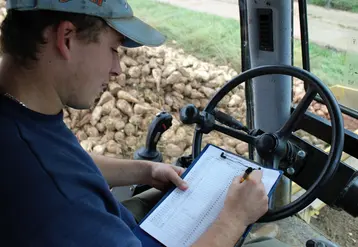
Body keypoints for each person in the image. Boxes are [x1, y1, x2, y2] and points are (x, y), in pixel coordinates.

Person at [0, 0, 289, 246]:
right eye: (114, 50)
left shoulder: (22, 115)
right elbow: (55, 176)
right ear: (67, 39)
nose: (117, 69)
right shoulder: (60, 201)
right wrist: (234, 219)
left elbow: (65, 160)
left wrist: (146, 170)